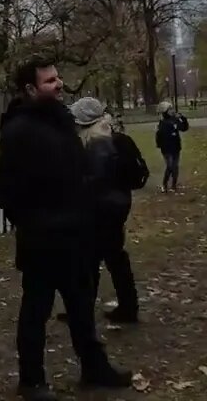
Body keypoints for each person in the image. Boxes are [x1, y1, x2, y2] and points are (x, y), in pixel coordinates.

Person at [0, 58, 132, 400]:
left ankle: (94, 368)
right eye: (49, 81)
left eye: (58, 78)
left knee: (82, 308)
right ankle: (32, 381)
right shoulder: (18, 131)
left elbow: (77, 172)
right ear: (29, 89)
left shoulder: (63, 121)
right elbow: (6, 190)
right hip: (42, 240)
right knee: (35, 312)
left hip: (77, 236)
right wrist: (33, 224)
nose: (58, 84)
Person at [69, 98, 141, 324]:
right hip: (117, 206)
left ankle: (84, 309)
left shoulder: (89, 145)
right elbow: (136, 175)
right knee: (115, 258)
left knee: (90, 260)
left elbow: (86, 181)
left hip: (96, 210)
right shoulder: (121, 140)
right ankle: (127, 306)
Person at [154, 101, 189, 192]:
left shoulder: (175, 119)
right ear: (165, 111)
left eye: (172, 109)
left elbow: (184, 128)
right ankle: (164, 184)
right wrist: (160, 145)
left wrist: (182, 118)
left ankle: (174, 185)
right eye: (170, 109)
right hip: (166, 149)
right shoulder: (162, 122)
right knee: (170, 166)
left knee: (175, 166)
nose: (172, 111)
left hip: (176, 147)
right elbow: (159, 136)